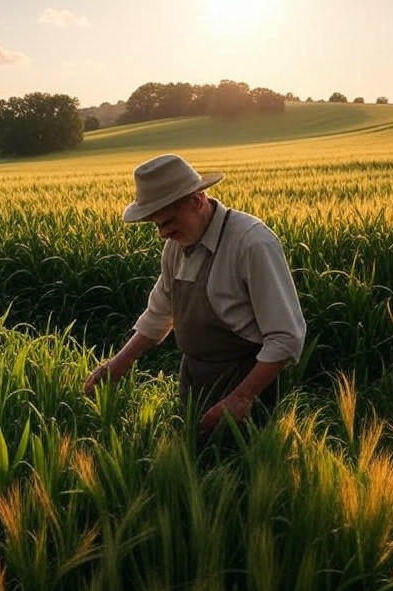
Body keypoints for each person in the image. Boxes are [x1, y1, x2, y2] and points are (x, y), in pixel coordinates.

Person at [82, 154, 305, 438]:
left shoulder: (252, 243)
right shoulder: (175, 246)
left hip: (247, 382)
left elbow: (286, 338)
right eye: (156, 224)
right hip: (193, 380)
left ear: (197, 200)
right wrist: (117, 364)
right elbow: (160, 314)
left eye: (169, 221)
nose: (163, 233)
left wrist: (242, 397)